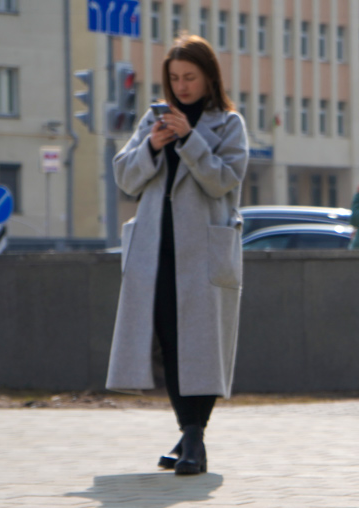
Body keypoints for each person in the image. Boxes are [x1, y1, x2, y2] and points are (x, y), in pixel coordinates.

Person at [107, 33, 248, 475]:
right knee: (170, 342)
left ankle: (194, 440)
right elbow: (125, 179)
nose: (182, 86)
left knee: (200, 345)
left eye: (190, 77)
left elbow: (224, 182)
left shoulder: (228, 124)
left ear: (209, 78)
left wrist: (189, 141)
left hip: (203, 252)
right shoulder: (153, 119)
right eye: (174, 78)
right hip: (155, 250)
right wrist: (152, 145)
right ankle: (189, 432)